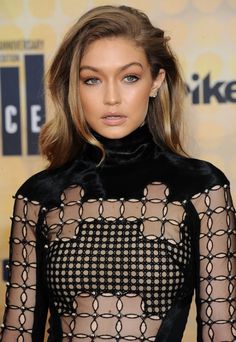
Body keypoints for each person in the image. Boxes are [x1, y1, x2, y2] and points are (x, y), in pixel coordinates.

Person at [0, 4, 235, 342]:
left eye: (129, 77)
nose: (111, 97)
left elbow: (222, 332)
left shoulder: (200, 189)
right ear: (73, 87)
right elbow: (19, 333)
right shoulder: (40, 195)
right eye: (92, 79)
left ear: (156, 81)